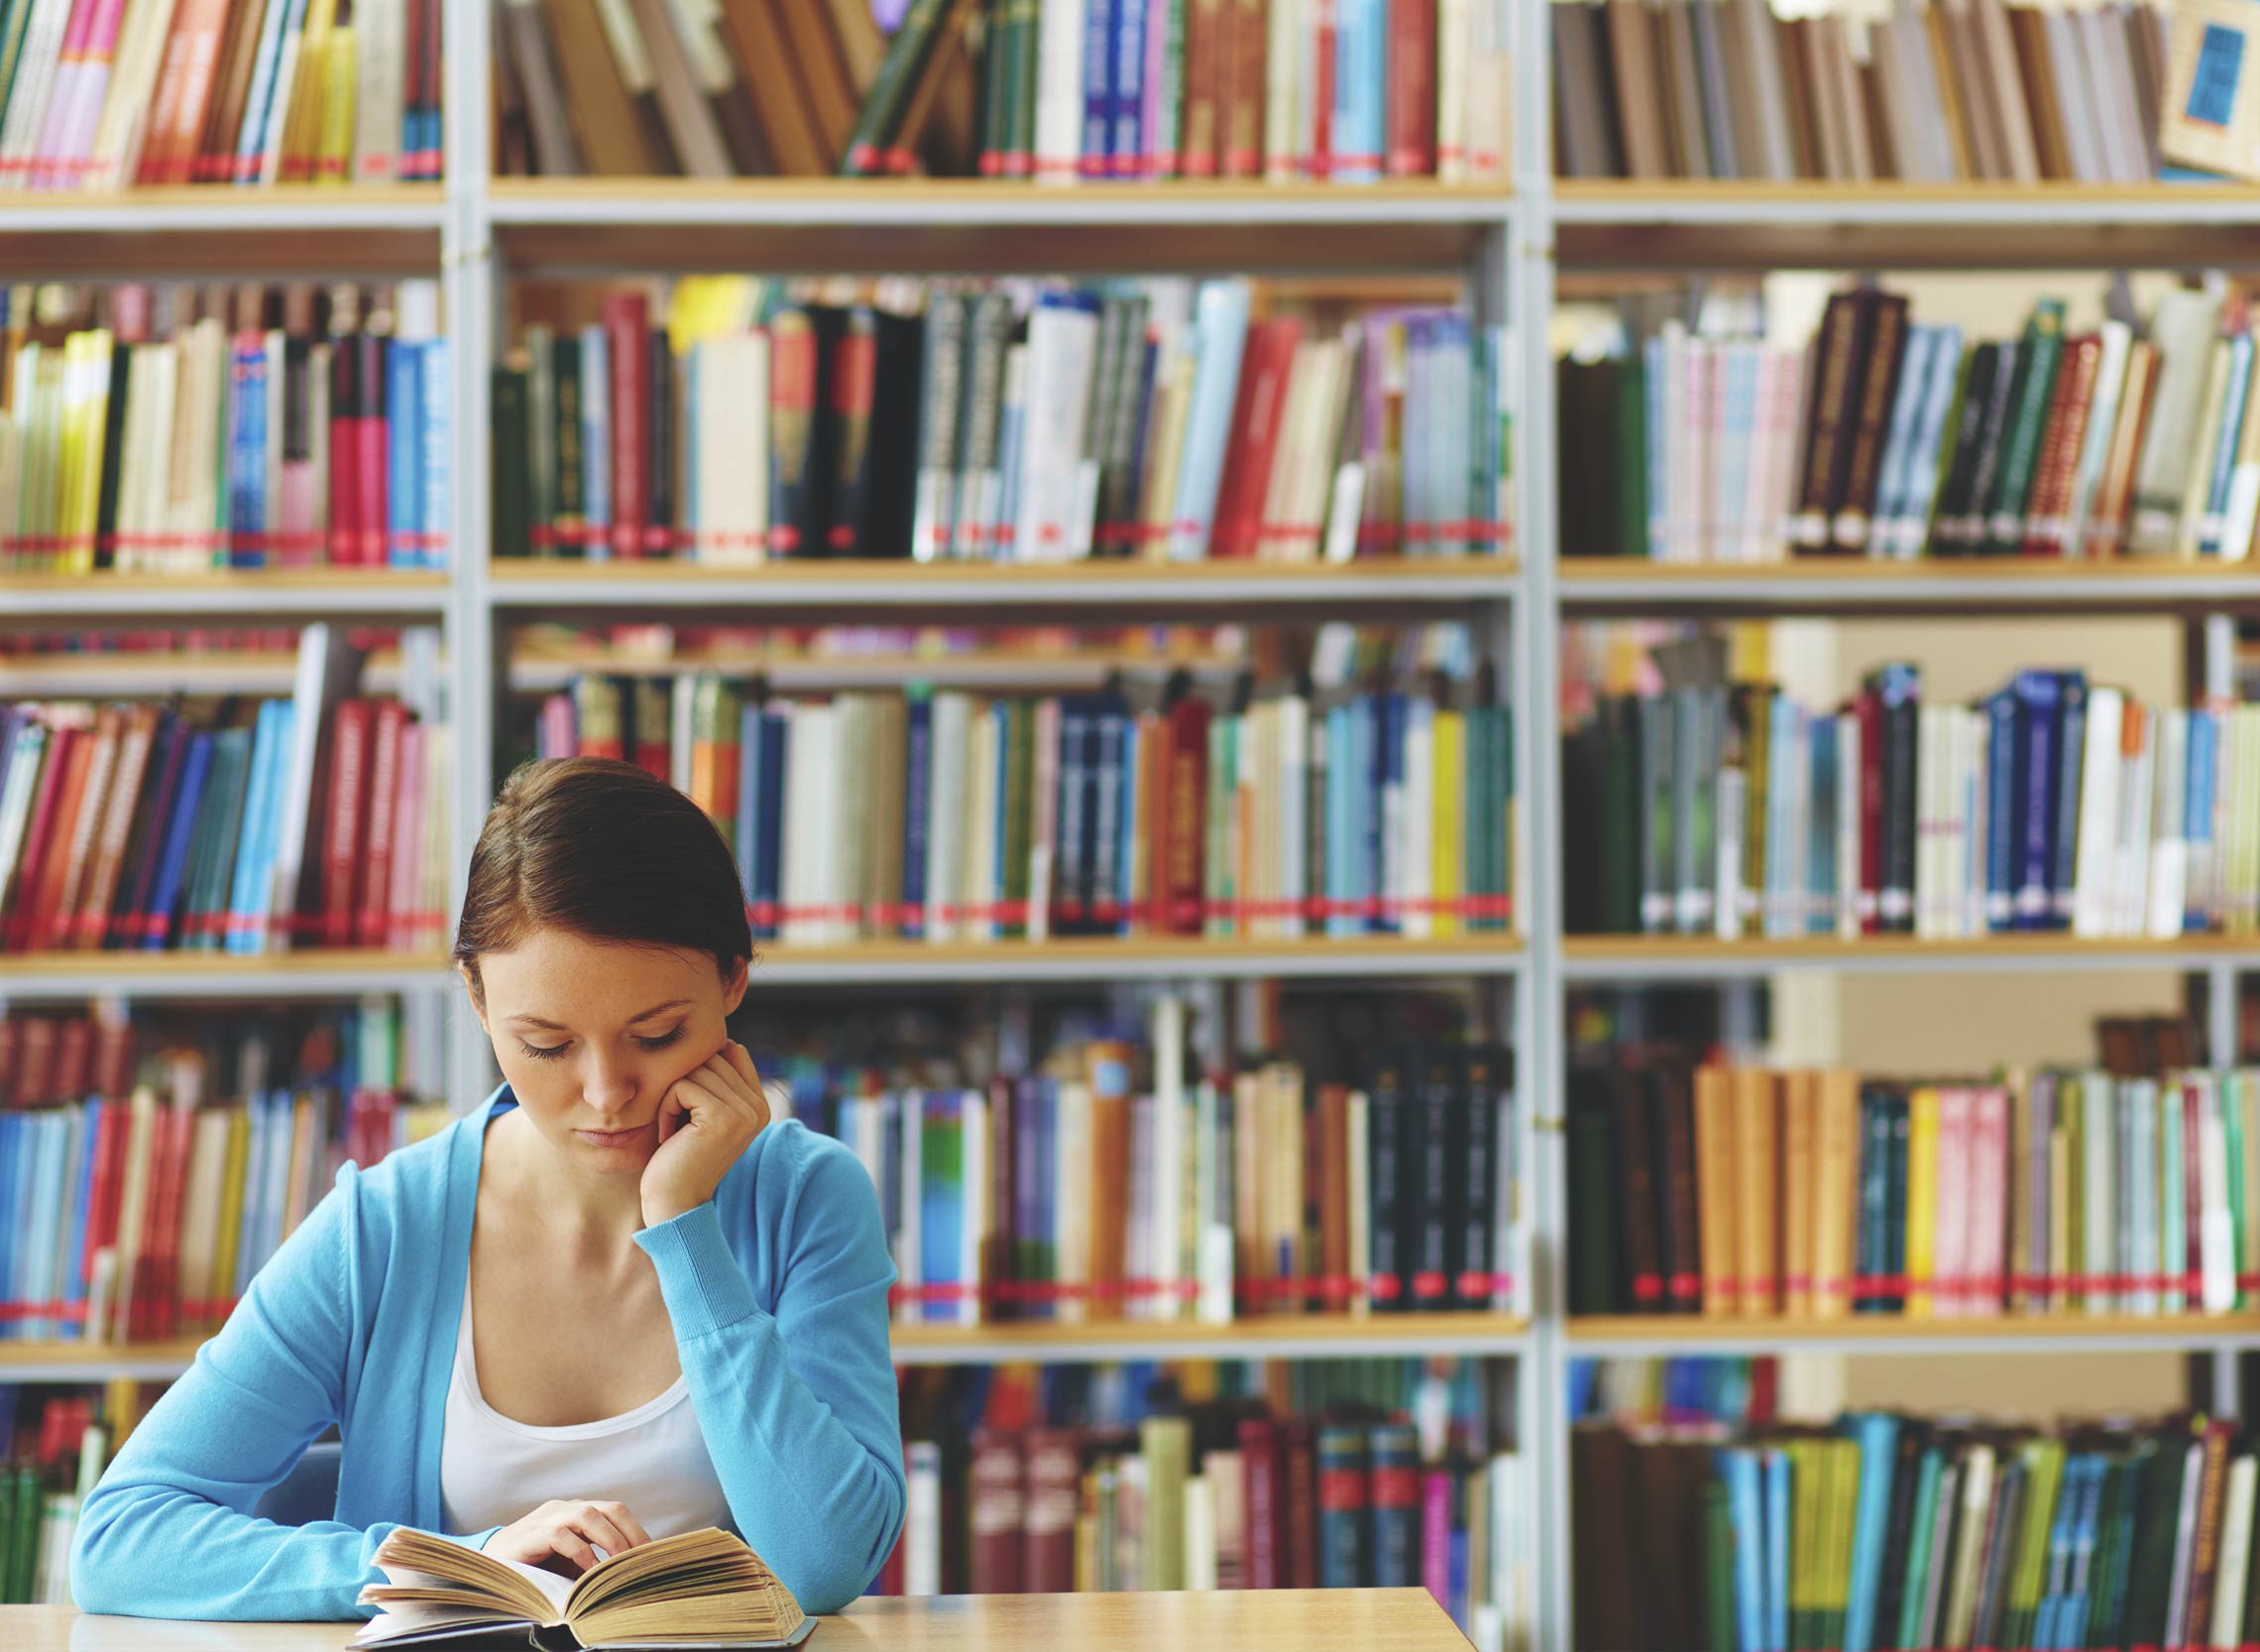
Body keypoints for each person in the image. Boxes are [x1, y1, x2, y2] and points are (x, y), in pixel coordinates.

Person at [70, 757, 906, 1620]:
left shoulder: (808, 1198)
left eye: (656, 1034)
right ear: (475, 994)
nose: (605, 1090)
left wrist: (686, 1227)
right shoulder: (384, 1229)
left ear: (732, 980)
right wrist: (458, 1567)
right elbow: (118, 1540)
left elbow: (824, 1561)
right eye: (547, 1044)